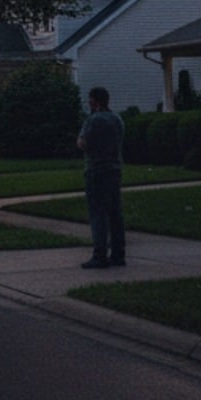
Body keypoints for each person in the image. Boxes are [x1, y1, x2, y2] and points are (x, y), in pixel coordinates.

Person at [77, 87, 125, 268]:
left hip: (96, 170)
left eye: (90, 99)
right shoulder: (117, 119)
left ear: (95, 101)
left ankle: (99, 255)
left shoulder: (93, 120)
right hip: (114, 169)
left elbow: (83, 143)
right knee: (115, 214)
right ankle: (118, 254)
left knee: (98, 214)